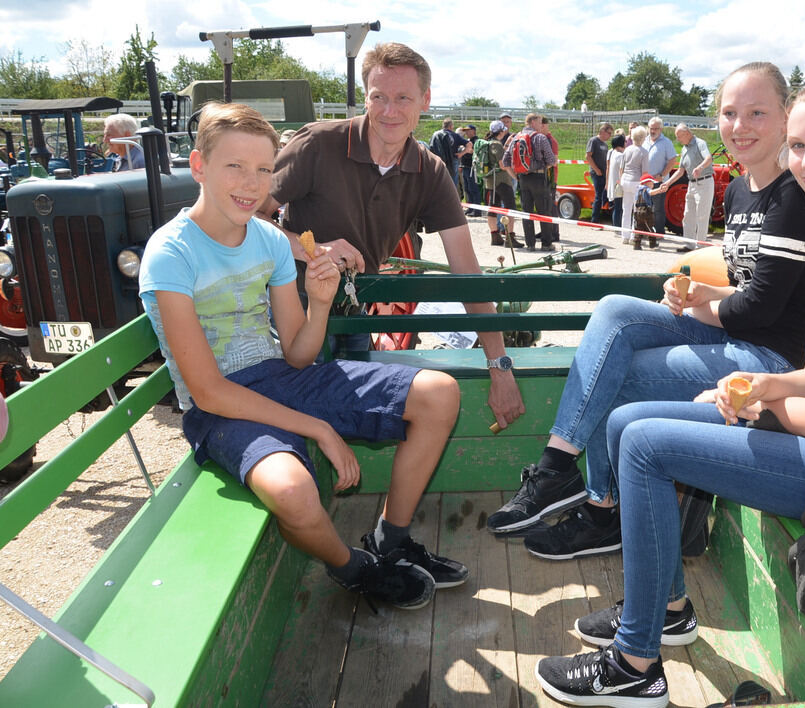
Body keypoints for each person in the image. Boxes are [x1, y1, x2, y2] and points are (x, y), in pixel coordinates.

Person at [534, 70, 805, 707]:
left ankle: (633, 662)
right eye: (799, 146)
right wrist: (758, 383)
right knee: (626, 425)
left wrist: (760, 399)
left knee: (649, 445)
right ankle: (671, 608)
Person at [138, 102, 471, 611]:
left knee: (438, 393)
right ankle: (357, 569)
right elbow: (207, 391)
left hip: (281, 379)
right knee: (293, 492)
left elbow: (296, 356)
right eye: (235, 166)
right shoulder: (171, 253)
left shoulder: (270, 240)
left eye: (264, 170)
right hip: (219, 409)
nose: (251, 184)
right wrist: (318, 428)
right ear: (199, 167)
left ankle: (391, 538)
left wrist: (318, 305)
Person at [487, 63, 805, 568]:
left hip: (768, 361)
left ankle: (600, 510)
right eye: (730, 113)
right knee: (615, 309)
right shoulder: (737, 190)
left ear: (785, 117)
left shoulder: (794, 195)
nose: (740, 125)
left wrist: (699, 305)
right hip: (737, 335)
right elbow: (748, 285)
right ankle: (560, 467)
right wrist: (700, 292)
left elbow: (762, 308)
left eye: (757, 112)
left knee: (619, 376)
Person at [257, 43, 524, 430]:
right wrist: (308, 249)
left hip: (354, 312)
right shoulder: (318, 143)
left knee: (371, 422)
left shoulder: (430, 172)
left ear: (425, 101)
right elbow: (246, 217)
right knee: (301, 427)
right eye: (378, 97)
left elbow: (467, 273)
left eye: (403, 98)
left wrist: (499, 367)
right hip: (292, 311)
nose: (389, 111)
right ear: (365, 97)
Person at [650, 123, 714, 247]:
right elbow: (680, 171)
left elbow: (709, 158)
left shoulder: (700, 143)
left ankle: (701, 247)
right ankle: (689, 245)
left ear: (687, 133)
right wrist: (667, 183)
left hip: (704, 182)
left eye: (679, 136)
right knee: (688, 215)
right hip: (692, 184)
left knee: (702, 216)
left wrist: (700, 168)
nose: (678, 139)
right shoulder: (685, 148)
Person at [502, 112, 557, 251]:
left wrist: (516, 177)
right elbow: (552, 160)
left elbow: (505, 161)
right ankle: (546, 244)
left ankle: (530, 244)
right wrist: (544, 167)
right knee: (544, 211)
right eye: (539, 122)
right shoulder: (540, 137)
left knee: (527, 212)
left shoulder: (515, 138)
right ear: (533, 122)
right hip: (538, 178)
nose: (541, 125)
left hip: (523, 179)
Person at [482, 120, 523, 247]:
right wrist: (515, 176)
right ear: (500, 131)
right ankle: (510, 238)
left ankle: (495, 236)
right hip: (502, 181)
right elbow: (502, 164)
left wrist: (506, 144)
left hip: (490, 181)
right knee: (510, 208)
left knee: (493, 208)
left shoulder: (488, 143)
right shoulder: (496, 145)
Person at [643, 117, 678, 234]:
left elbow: (672, 160)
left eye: (655, 129)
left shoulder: (666, 142)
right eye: (651, 128)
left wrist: (662, 175)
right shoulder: (644, 140)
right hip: (644, 182)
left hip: (659, 182)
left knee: (658, 209)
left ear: (661, 129)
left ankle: (659, 233)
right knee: (643, 208)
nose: (652, 131)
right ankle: (645, 231)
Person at [617, 125, 649, 245]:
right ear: (643, 138)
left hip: (625, 180)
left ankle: (624, 236)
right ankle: (633, 236)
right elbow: (645, 172)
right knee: (637, 211)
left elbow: (621, 168)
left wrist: (621, 180)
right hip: (636, 182)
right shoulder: (644, 152)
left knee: (626, 209)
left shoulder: (627, 149)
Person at [585, 122, 613, 223]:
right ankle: (594, 220)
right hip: (597, 173)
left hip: (604, 173)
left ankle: (604, 213)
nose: (610, 136)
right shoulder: (594, 141)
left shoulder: (605, 144)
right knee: (599, 195)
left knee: (605, 194)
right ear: (602, 131)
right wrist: (596, 170)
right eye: (609, 133)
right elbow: (588, 156)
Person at [539, 116, 561, 241]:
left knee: (551, 206)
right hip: (543, 177)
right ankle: (545, 230)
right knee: (543, 206)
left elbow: (554, 161)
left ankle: (554, 233)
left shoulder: (551, 141)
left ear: (544, 126)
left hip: (550, 178)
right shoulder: (541, 138)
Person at [606, 134, 627, 228]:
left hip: (613, 184)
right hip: (618, 184)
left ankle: (616, 226)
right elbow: (623, 169)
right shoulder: (620, 155)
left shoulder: (613, 153)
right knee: (618, 208)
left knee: (616, 207)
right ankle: (617, 226)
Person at [459, 124, 482, 210]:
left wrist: (469, 150)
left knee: (473, 189)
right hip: (466, 167)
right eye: (465, 131)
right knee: (467, 189)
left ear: (473, 131)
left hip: (472, 168)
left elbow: (476, 153)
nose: (466, 132)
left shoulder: (476, 141)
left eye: (468, 130)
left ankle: (476, 209)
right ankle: (470, 208)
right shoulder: (467, 141)